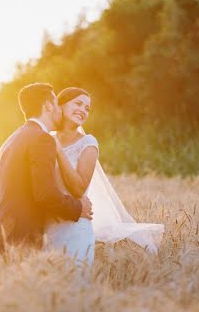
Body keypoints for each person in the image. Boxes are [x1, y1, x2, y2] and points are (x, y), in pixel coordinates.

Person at [45, 87, 164, 263]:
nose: (83, 110)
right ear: (60, 106)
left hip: (74, 226)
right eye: (78, 103)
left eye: (87, 108)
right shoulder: (46, 137)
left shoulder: (88, 143)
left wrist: (58, 151)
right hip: (47, 225)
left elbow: (79, 189)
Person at [0, 83, 93, 255]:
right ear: (48, 106)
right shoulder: (43, 139)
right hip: (22, 239)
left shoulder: (10, 140)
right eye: (56, 104)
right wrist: (78, 207)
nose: (59, 110)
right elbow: (44, 193)